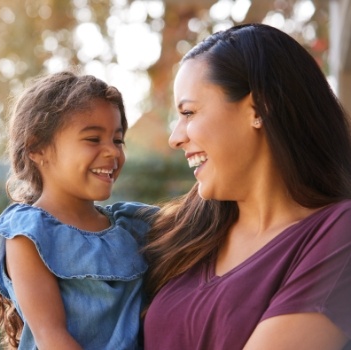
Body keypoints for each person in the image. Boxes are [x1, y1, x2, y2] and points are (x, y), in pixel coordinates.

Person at [143, 23, 351, 350]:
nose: (175, 137)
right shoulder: (181, 231)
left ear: (259, 107)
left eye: (188, 112)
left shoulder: (338, 234)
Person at [0, 71, 156, 349]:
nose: (112, 152)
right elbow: (52, 336)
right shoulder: (28, 235)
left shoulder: (133, 225)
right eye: (93, 139)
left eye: (117, 140)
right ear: (37, 148)